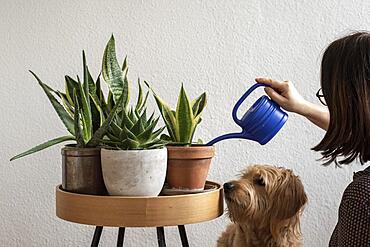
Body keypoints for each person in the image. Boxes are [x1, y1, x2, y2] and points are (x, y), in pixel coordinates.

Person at [256, 31, 370, 246]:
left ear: (353, 100)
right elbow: (359, 128)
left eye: (332, 97)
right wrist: (303, 106)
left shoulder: (362, 197)